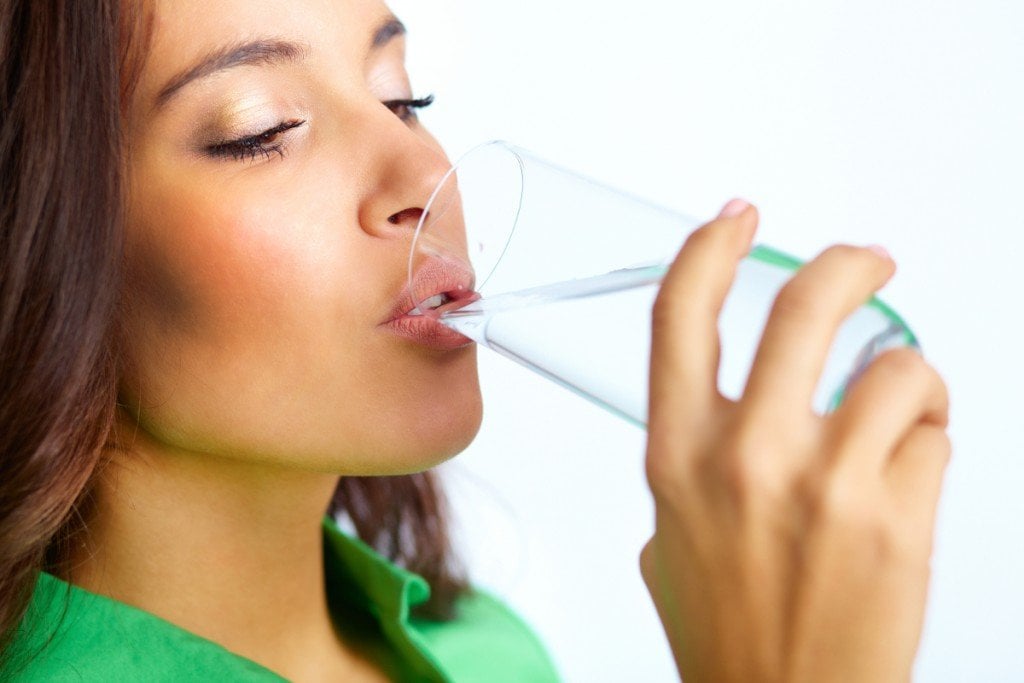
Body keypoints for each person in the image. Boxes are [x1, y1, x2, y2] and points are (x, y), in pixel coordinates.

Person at [0, 1, 950, 681]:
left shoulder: (491, 653)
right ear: (37, 244)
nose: (425, 171)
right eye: (264, 130)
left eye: (402, 98)